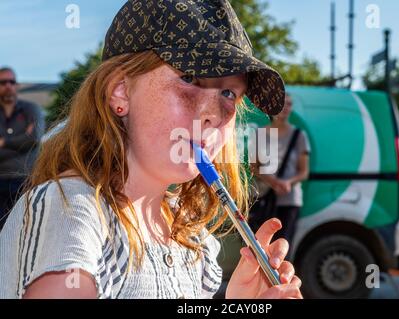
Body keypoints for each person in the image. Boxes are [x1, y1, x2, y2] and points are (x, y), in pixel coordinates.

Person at [0, 0, 302, 299]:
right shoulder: (72, 210)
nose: (213, 113)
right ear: (121, 91)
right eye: (189, 78)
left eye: (228, 93)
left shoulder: (190, 236)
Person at [250, 93, 310, 259]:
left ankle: (280, 281)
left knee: (283, 246)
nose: (286, 108)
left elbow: (304, 171)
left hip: (290, 200)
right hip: (265, 197)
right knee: (262, 246)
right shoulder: (260, 134)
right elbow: (253, 167)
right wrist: (274, 182)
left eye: (289, 104)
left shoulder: (299, 136)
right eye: (282, 104)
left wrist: (287, 183)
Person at [0, 67, 45, 231]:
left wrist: (4, 142)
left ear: (16, 85)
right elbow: (26, 141)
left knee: (25, 230)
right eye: (3, 82)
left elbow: (33, 140)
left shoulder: (31, 109)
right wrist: (20, 143)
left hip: (25, 180)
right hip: (1, 180)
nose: (8, 86)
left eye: (11, 82)